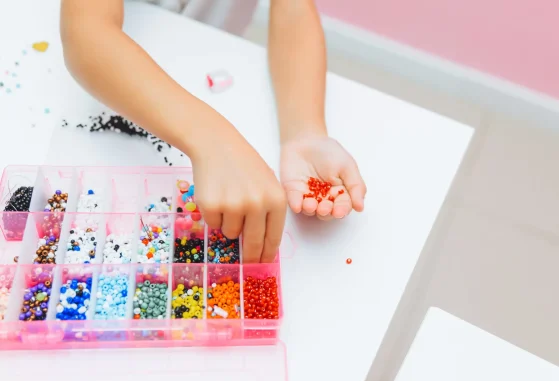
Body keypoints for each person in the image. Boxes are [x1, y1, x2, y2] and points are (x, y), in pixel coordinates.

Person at [60, 0, 367, 264]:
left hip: (211, 50)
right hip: (122, 71)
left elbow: (293, 10)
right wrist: (212, 139)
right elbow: (87, 35)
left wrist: (304, 131)